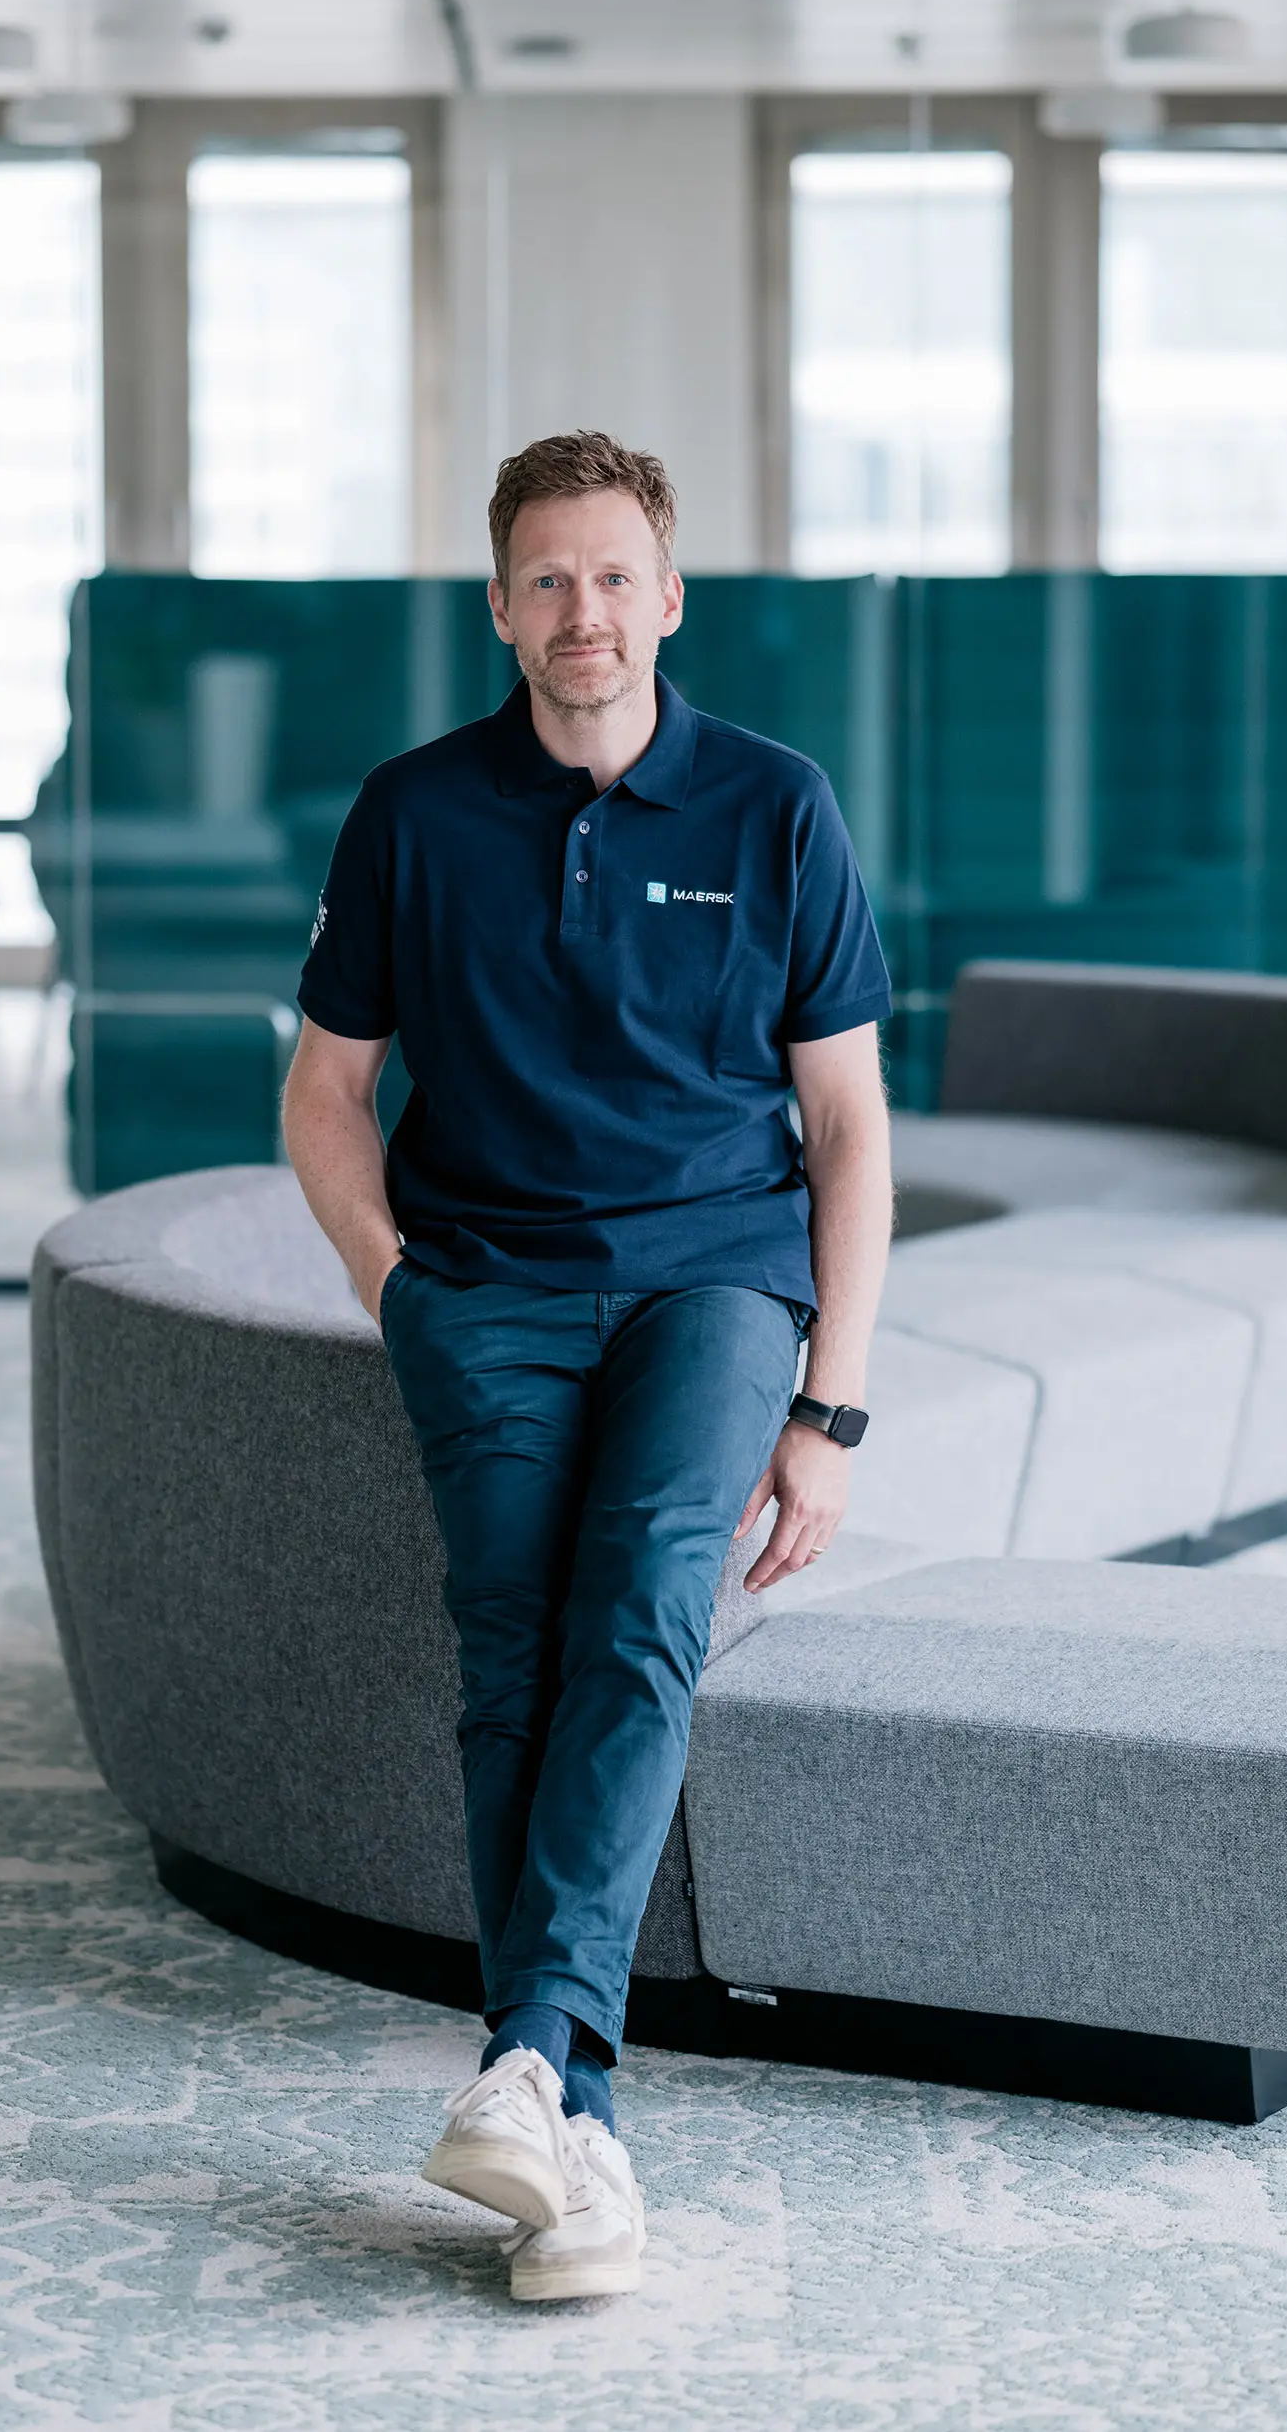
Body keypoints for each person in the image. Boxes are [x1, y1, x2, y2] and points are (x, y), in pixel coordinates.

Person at [283, 430, 893, 2303]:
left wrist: (830, 1406)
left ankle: (536, 2063)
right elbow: (323, 1096)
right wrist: (402, 1288)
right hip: (488, 1288)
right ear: (497, 604)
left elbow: (850, 1130)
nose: (583, 613)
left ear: (670, 595)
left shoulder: (775, 808)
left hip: (716, 1280)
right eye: (546, 579)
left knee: (640, 1613)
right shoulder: (412, 810)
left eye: (614, 576)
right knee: (512, 1650)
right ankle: (581, 2137)